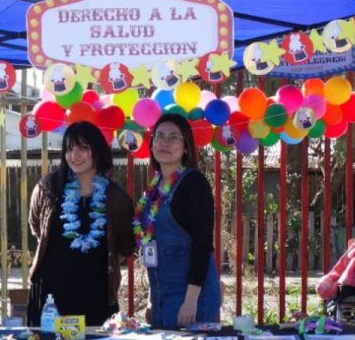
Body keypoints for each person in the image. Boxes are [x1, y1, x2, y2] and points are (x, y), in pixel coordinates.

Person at [28, 122, 134, 326]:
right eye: (69, 148)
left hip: (96, 294)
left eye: (83, 147)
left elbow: (125, 245)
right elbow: (36, 227)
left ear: (97, 150)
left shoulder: (116, 198)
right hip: (51, 295)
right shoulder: (48, 188)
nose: (74, 155)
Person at [135, 113, 221, 328]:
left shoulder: (194, 183)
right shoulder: (154, 188)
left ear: (186, 147)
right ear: (152, 144)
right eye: (159, 136)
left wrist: (191, 302)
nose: (165, 143)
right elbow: (150, 244)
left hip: (190, 299)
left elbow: (202, 245)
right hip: (161, 294)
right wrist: (151, 299)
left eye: (174, 137)